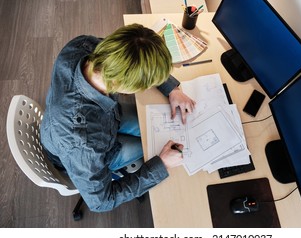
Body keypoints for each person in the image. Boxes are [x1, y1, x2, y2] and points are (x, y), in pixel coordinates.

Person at [40, 24, 196, 212]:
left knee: (153, 129)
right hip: (84, 153)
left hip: (103, 120)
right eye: (144, 85)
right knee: (152, 147)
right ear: (121, 84)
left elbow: (133, 57)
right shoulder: (80, 140)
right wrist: (161, 165)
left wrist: (172, 89)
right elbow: (101, 202)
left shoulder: (84, 46)